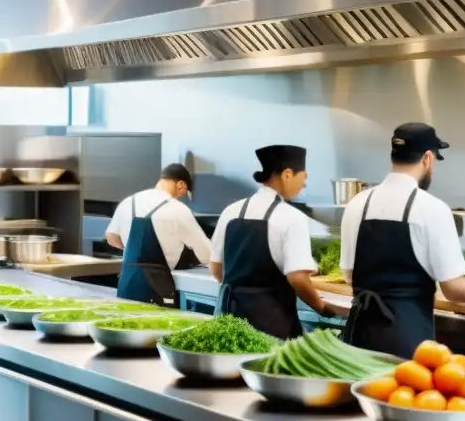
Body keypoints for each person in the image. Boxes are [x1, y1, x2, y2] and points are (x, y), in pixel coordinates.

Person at [339, 123, 465, 358]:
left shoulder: (357, 203)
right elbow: (453, 289)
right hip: (405, 340)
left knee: (360, 394)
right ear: (427, 159)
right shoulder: (432, 208)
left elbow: (349, 274)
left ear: (393, 157)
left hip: (358, 336)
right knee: (400, 395)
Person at [210, 145, 343, 339]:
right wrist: (320, 306)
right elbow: (298, 278)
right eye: (303, 178)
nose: (303, 185)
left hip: (229, 320)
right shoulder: (291, 217)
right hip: (270, 324)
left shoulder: (231, 211)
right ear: (287, 174)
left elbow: (216, 268)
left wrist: (244, 293)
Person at [106, 163, 211, 307]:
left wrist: (134, 248)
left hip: (127, 284)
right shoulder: (178, 209)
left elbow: (111, 238)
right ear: (180, 184)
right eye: (184, 192)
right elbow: (206, 254)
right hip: (156, 287)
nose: (181, 197)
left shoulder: (128, 202)